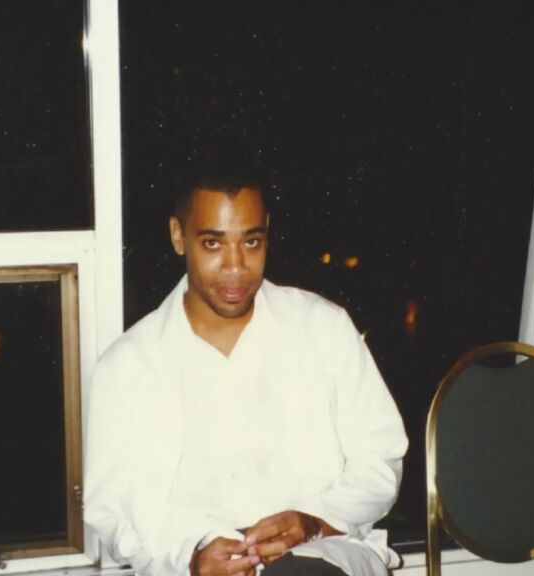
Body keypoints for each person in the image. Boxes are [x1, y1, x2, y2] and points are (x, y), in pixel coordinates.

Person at [84, 172, 408, 576]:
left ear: (267, 233)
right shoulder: (126, 366)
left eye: (251, 242)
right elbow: (109, 509)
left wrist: (314, 520)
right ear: (178, 236)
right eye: (213, 243)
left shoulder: (322, 328)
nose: (236, 267)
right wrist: (191, 556)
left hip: (321, 551)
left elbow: (380, 461)